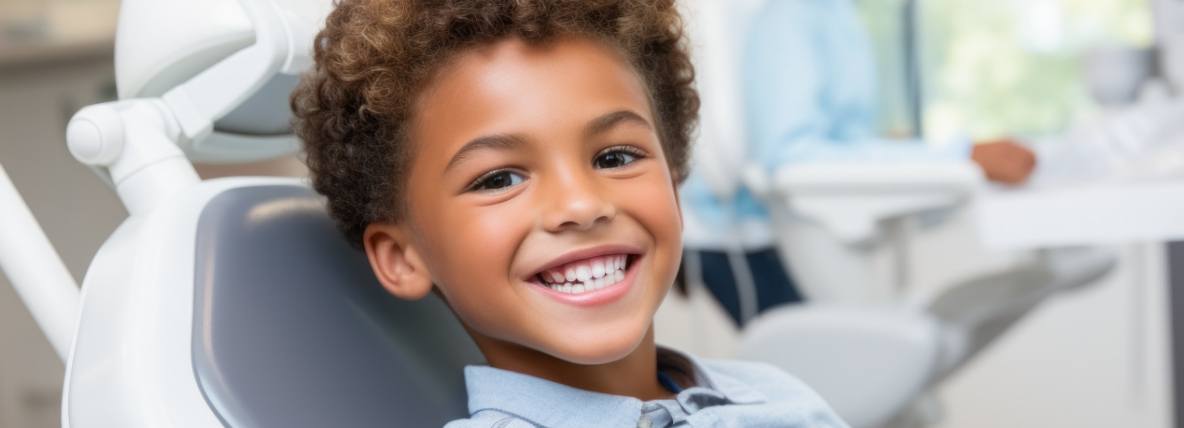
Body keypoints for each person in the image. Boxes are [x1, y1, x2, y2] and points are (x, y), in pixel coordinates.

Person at [290, 0, 847, 426]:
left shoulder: (781, 396)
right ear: (403, 257)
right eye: (499, 179)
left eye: (615, 157)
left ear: (674, 182)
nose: (581, 205)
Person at [680, 0, 1037, 326]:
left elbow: (842, 142)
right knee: (844, 375)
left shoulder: (835, 14)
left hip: (783, 227)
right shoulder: (789, 19)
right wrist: (958, 156)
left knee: (876, 365)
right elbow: (790, 157)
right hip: (743, 235)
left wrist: (928, 158)